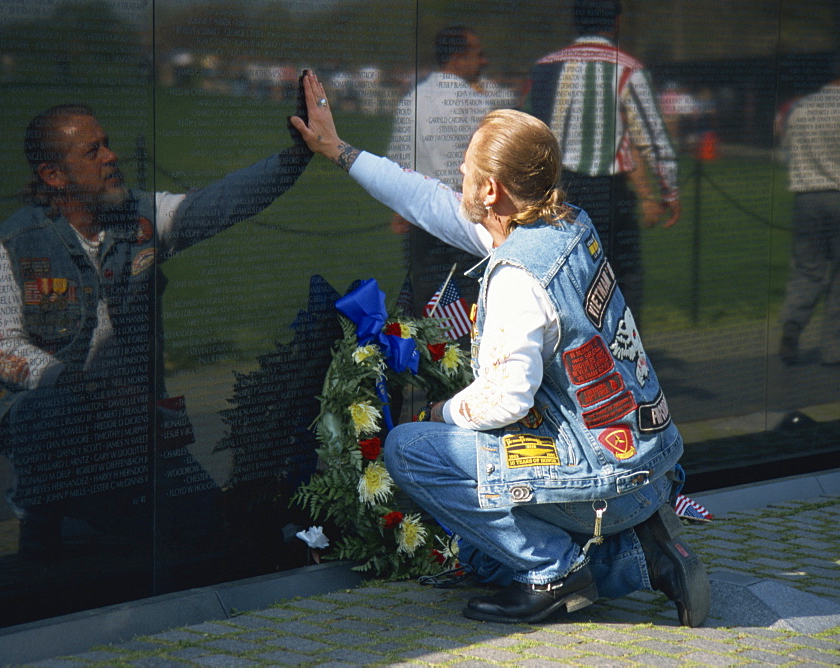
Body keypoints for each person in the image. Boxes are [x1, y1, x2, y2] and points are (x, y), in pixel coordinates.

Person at [291, 71, 709, 626]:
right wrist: (338, 149)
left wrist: (442, 411)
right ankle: (646, 545)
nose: (458, 172)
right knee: (484, 561)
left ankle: (558, 573)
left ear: (491, 191)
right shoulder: (564, 225)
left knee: (411, 449)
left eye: (467, 165)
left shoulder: (517, 275)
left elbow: (506, 400)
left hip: (600, 476)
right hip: (645, 465)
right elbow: (427, 200)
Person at [0, 102, 312, 559]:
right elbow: (0, 348)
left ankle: (103, 515)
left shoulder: (143, 217)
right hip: (62, 419)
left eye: (107, 144)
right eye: (92, 151)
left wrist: (295, 156)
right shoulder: (10, 246)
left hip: (135, 421)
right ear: (53, 175)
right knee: (45, 410)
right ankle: (43, 523)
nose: (111, 156)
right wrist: (82, 385)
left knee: (211, 532)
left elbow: (218, 204)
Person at [524, 0, 680, 322]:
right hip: (609, 194)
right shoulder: (627, 68)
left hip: (557, 190)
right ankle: (623, 358)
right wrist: (669, 191)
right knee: (621, 278)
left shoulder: (544, 67)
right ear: (616, 21)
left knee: (564, 279)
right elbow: (651, 136)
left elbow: (527, 131)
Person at [387, 26, 494, 314]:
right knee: (471, 299)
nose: (483, 62)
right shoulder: (478, 104)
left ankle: (432, 357)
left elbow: (400, 159)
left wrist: (400, 209)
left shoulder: (414, 98)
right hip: (468, 215)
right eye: (478, 54)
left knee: (427, 299)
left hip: (422, 212)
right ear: (458, 58)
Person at [778, 49, 840, 366]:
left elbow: (788, 150)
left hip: (805, 199)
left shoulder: (802, 108)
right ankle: (835, 350)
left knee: (806, 270)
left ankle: (792, 324)